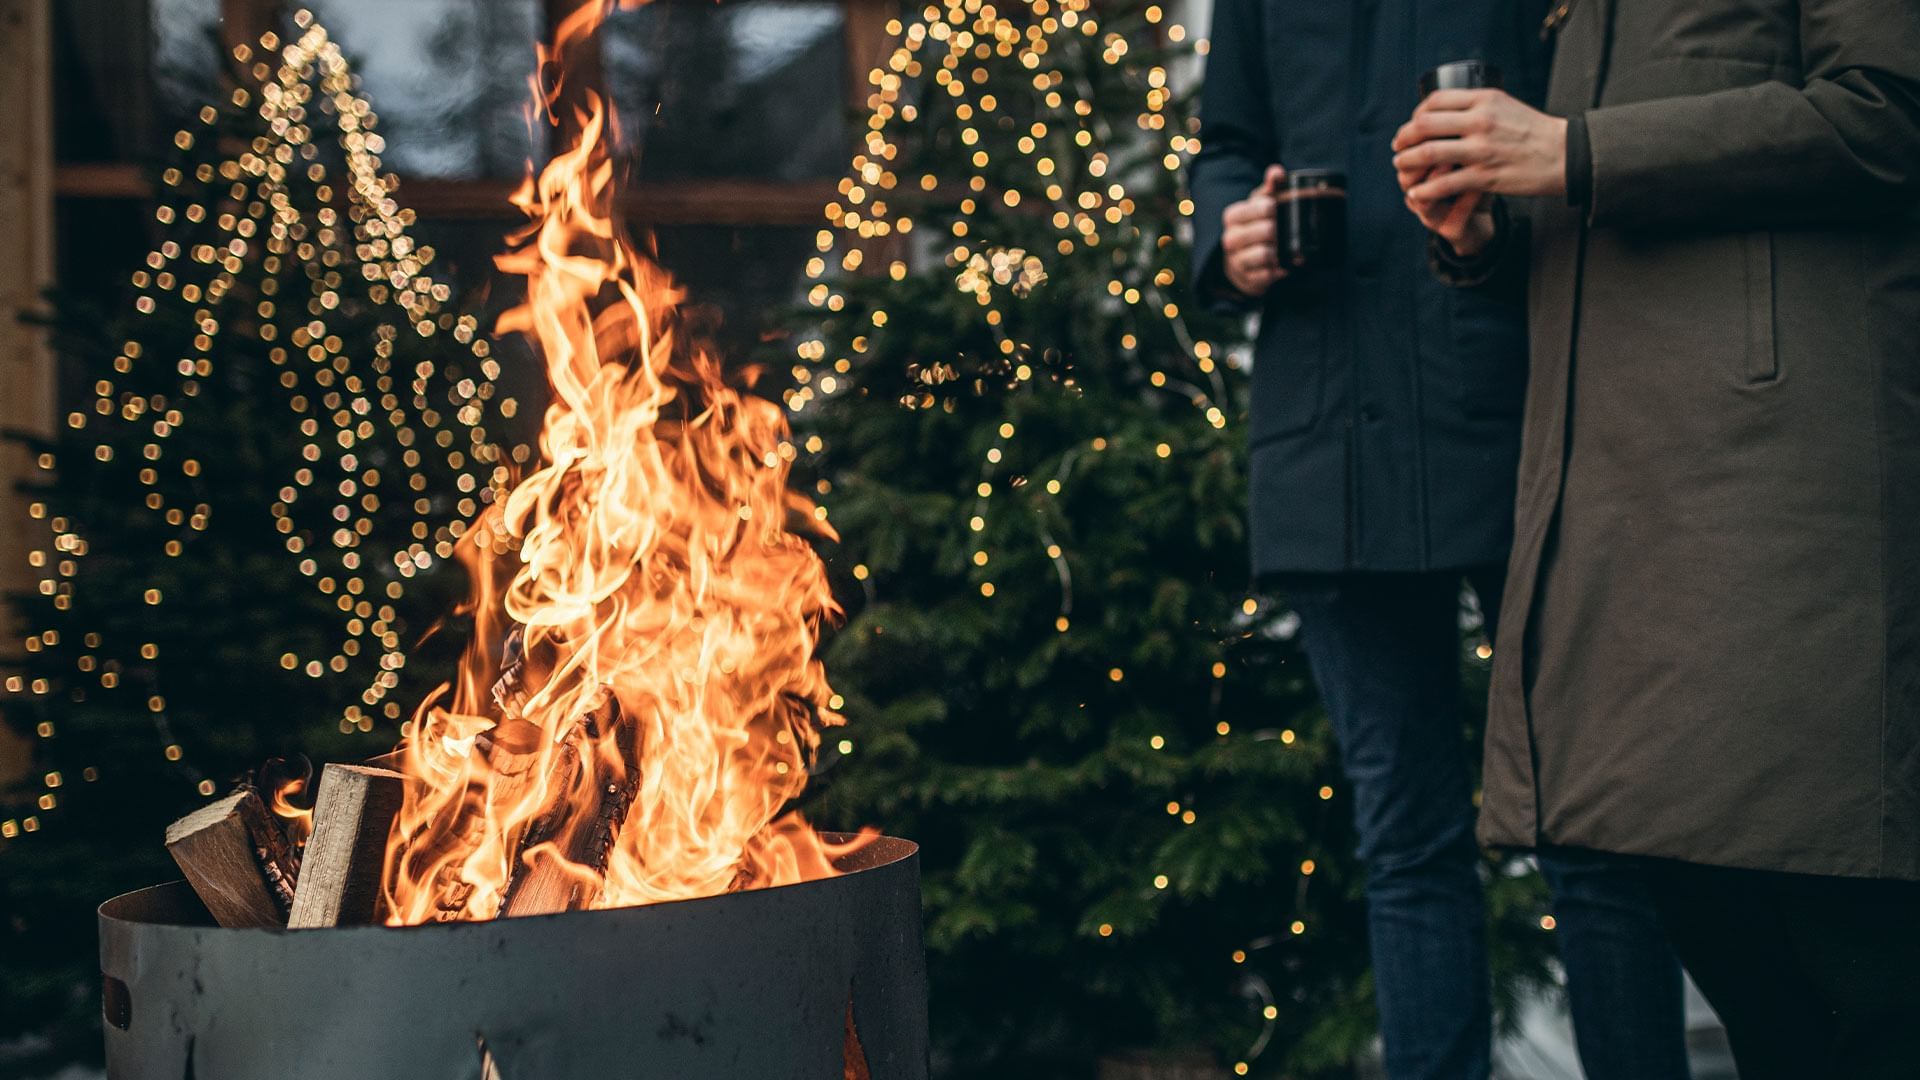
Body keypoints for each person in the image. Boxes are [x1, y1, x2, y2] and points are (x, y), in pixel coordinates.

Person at [1391, 2, 1920, 1077]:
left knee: (1844, 951)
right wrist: (1485, 235)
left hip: (1777, 497)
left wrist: (1571, 149)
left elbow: (1891, 113)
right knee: (1729, 941)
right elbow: (1607, 193)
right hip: (1625, 501)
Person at [1189, 3, 1690, 1079]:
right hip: (1327, 455)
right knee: (1404, 842)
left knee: (1590, 832)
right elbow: (1226, 143)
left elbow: (1596, 135)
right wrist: (1227, 233)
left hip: (1529, 431)